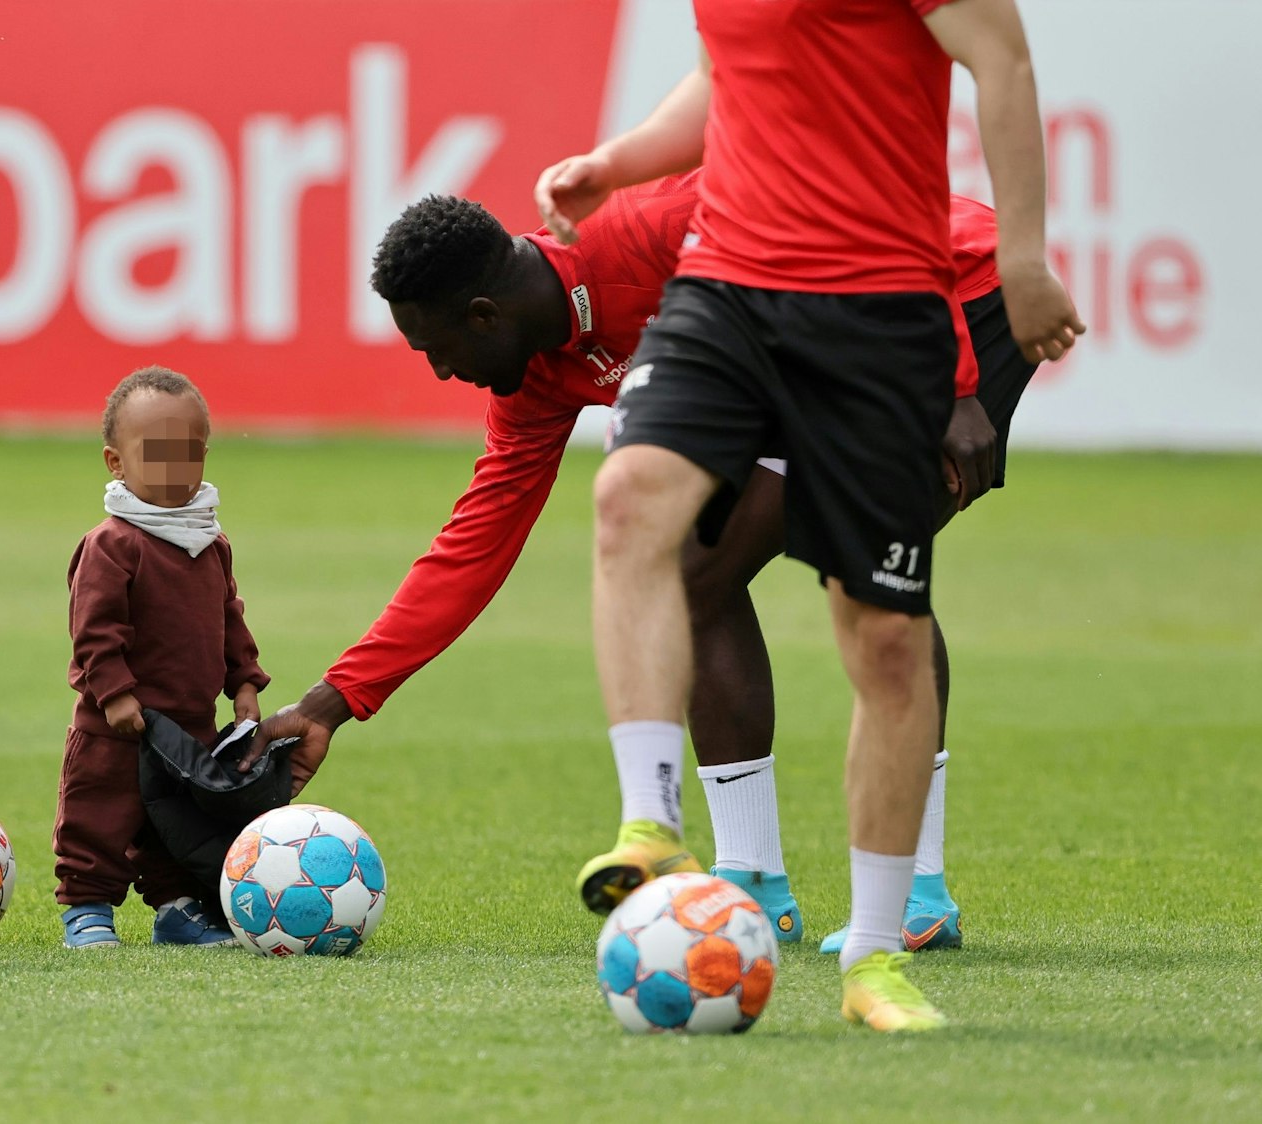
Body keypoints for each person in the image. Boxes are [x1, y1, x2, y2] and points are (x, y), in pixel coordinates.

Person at [246, 171, 1026, 954]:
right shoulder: (537, 380)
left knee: (866, 566)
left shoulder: (643, 228)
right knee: (689, 575)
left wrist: (957, 376)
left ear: (483, 316)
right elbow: (472, 546)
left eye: (437, 350)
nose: (442, 373)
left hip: (949, 288)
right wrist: (331, 703)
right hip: (808, 359)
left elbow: (860, 205)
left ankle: (915, 895)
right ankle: (753, 882)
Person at [531, 0, 1081, 1030]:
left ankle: (876, 956)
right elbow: (728, 77)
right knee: (628, 500)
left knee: (880, 637)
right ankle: (651, 819)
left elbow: (1000, 61)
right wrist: (620, 160)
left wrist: (1019, 260)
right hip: (726, 286)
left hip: (876, 310)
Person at [55, 366, 270, 949]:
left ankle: (177, 909)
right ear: (116, 463)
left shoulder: (210, 541)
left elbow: (228, 617)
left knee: (179, 827)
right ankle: (87, 905)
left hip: (188, 730)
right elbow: (94, 630)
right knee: (100, 815)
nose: (177, 471)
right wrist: (116, 692)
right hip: (118, 728)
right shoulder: (113, 543)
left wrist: (244, 682)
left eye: (190, 454)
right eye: (157, 454)